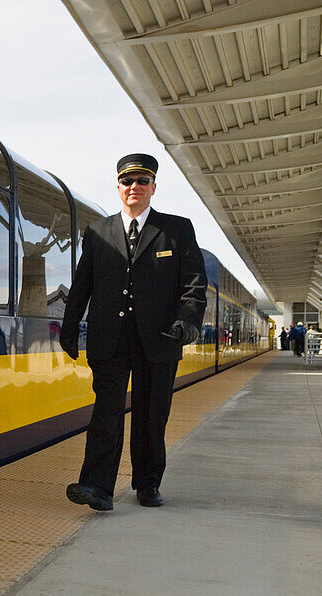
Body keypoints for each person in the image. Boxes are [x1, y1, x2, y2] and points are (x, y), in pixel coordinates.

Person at [59, 154, 207, 510]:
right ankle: (97, 488)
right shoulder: (97, 232)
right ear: (119, 187)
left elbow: (194, 284)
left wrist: (188, 320)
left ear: (153, 187)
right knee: (106, 412)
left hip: (160, 339)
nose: (134, 188)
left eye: (142, 181)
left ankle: (147, 483)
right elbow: (82, 285)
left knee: (151, 415)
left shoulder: (177, 229)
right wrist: (69, 326)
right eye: (127, 182)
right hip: (109, 338)